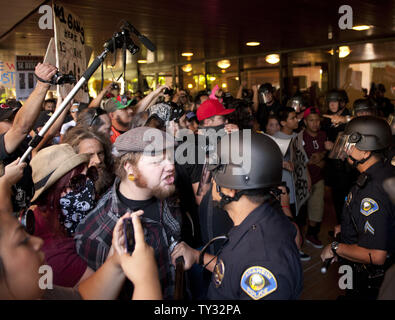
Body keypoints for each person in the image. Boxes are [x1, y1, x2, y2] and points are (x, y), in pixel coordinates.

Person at [0, 160, 161, 299]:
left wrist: (117, 260)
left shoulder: (40, 292)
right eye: (22, 241)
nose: (37, 241)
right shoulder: (55, 252)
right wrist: (146, 279)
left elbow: (84, 296)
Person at [171, 131, 303, 300]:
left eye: (215, 177)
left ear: (231, 190)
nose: (211, 182)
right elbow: (233, 269)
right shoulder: (258, 218)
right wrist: (198, 257)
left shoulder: (263, 261)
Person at [74, 126, 181, 299]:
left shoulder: (164, 189)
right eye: (156, 161)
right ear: (129, 168)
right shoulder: (96, 233)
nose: (171, 166)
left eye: (170, 158)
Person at [320, 116, 395, 299]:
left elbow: (376, 255)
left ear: (365, 152)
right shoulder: (384, 171)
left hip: (371, 282)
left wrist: (336, 247)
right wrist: (347, 229)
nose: (346, 149)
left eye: (350, 145)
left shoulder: (371, 191)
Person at [30, 144, 97, 287]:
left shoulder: (57, 217)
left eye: (90, 175)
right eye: (77, 183)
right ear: (53, 194)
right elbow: (101, 289)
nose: (89, 185)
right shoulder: (54, 252)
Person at [0, 62, 57, 212]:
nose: (14, 123)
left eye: (16, 117)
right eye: (9, 120)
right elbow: (20, 128)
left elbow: (49, 132)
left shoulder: (23, 144)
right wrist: (42, 84)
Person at [302, 107, 333, 248]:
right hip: (303, 180)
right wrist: (316, 159)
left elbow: (324, 155)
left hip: (318, 178)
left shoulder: (323, 135)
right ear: (305, 121)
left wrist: (322, 155)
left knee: (317, 208)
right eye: (311, 120)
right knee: (302, 211)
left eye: (317, 120)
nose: (315, 123)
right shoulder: (300, 136)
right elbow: (302, 160)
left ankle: (312, 234)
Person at [62, 126, 114, 197]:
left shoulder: (115, 183)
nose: (98, 160)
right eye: (90, 155)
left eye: (100, 153)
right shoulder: (65, 192)